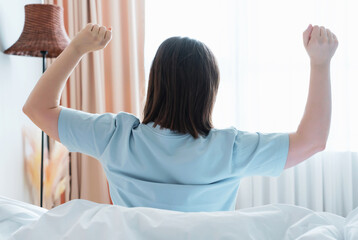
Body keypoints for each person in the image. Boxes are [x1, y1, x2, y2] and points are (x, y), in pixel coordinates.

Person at [23, 23, 338, 212]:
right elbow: (313, 141)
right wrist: (320, 64)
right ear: (209, 90)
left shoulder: (115, 136)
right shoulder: (231, 148)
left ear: (155, 84)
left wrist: (78, 47)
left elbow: (37, 109)